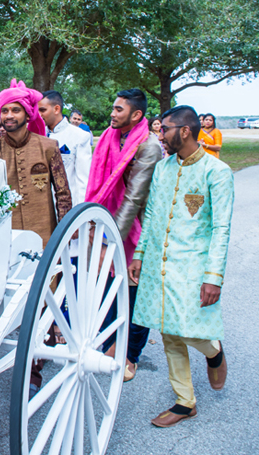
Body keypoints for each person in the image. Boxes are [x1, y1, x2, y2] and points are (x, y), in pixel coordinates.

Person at [129, 105, 233, 427]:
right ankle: (185, 402)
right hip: (160, 264)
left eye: (165, 129)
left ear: (184, 131)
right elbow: (152, 216)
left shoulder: (217, 172)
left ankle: (214, 352)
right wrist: (139, 253)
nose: (160, 134)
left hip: (193, 267)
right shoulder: (162, 168)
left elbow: (221, 228)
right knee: (168, 331)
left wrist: (213, 277)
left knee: (187, 328)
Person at [86, 88, 162, 382]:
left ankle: (130, 354)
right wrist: (93, 223)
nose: (113, 113)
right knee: (107, 287)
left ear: (136, 115)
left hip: (136, 230)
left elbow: (133, 198)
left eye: (119, 110)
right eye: (114, 108)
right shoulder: (110, 137)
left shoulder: (149, 146)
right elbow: (98, 179)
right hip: (108, 222)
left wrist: (109, 241)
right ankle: (109, 344)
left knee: (134, 292)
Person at [0, 80, 72, 245]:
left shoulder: (48, 147)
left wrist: (65, 229)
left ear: (28, 113)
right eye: (4, 111)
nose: (9, 115)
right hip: (7, 237)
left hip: (45, 234)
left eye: (16, 110)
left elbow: (63, 193)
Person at [38, 91, 91, 206]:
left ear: (56, 109)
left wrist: (78, 214)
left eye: (42, 110)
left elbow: (83, 180)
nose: (39, 114)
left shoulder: (79, 136)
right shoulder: (37, 136)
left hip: (66, 206)